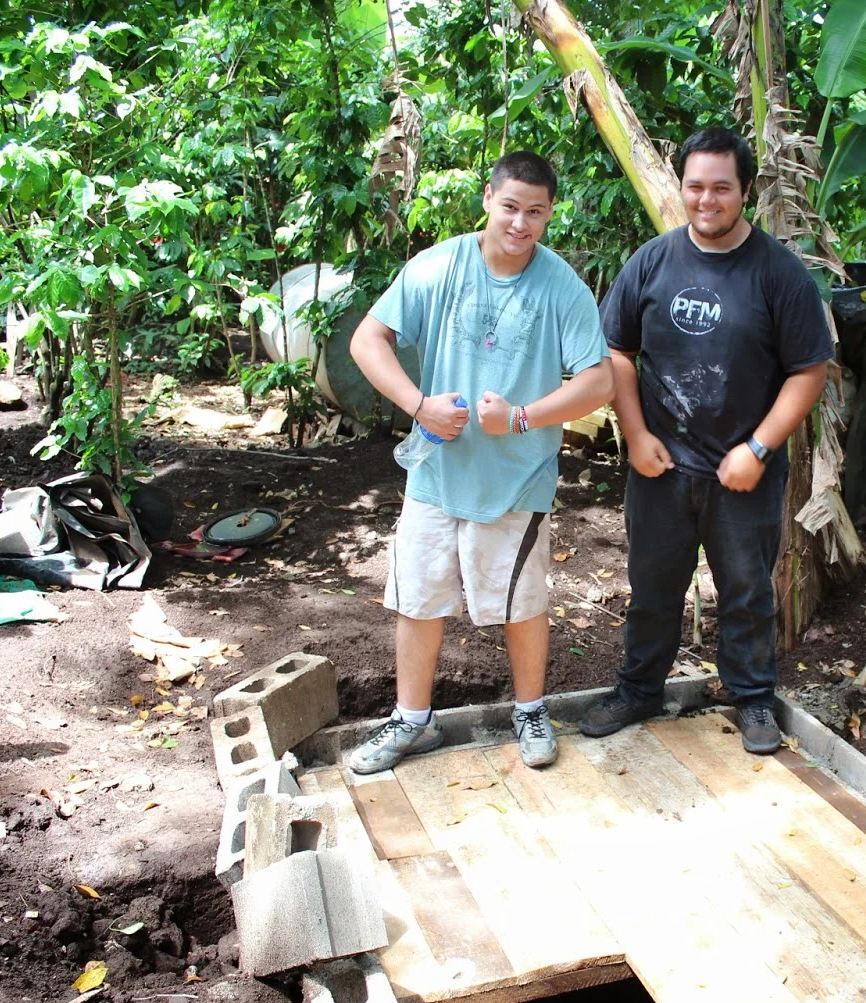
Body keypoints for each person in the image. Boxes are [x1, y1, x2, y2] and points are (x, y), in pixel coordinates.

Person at [345, 150, 613, 773]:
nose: (520, 223)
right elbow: (367, 339)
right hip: (435, 471)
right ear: (488, 199)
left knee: (522, 601)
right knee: (418, 597)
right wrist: (420, 405)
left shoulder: (561, 287)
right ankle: (411, 721)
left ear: (550, 214)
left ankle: (531, 711)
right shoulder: (438, 266)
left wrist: (521, 417)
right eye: (511, 206)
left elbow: (598, 381)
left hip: (517, 478)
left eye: (535, 212)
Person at [581, 127, 833, 755]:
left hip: (743, 470)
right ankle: (639, 689)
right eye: (695, 186)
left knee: (747, 593)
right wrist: (636, 434)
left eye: (721, 188)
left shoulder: (779, 274)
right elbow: (616, 351)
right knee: (652, 588)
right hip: (661, 466)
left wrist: (759, 449)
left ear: (746, 191)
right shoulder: (652, 261)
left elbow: (809, 371)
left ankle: (752, 698)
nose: (706, 200)